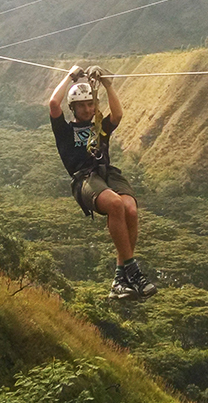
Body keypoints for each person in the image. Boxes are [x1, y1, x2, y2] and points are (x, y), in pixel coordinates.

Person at [49, 65, 156, 300]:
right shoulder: (65, 131)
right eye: (81, 105)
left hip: (107, 172)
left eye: (90, 104)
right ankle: (133, 272)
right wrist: (70, 76)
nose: (87, 109)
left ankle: (120, 278)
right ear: (73, 108)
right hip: (84, 178)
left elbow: (117, 115)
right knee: (115, 205)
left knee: (130, 209)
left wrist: (107, 84)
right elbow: (53, 105)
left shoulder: (99, 126)